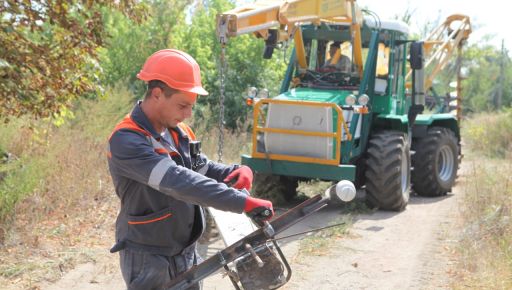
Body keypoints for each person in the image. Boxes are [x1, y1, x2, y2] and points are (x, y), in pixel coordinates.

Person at [106, 49, 274, 290]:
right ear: (157, 94)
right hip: (149, 255)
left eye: (191, 106)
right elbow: (178, 180)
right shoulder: (127, 140)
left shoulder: (178, 131)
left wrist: (235, 171)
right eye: (183, 105)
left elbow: (199, 168)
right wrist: (241, 202)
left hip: (185, 250)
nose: (188, 114)